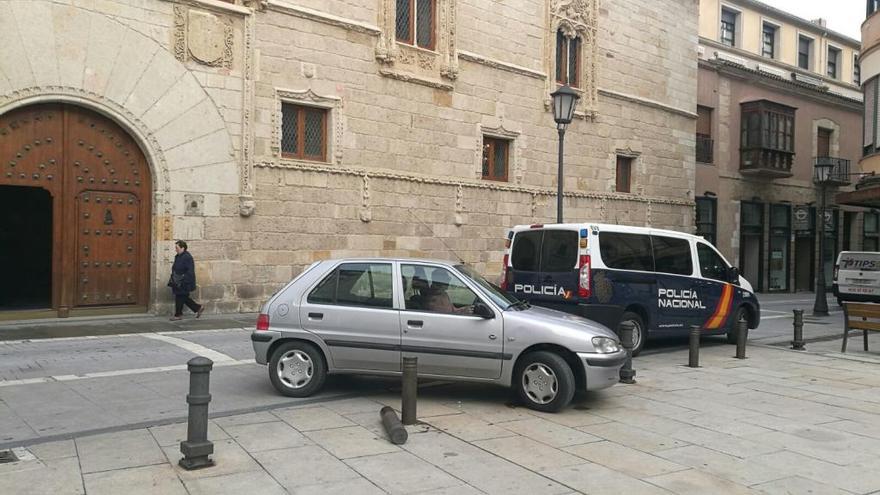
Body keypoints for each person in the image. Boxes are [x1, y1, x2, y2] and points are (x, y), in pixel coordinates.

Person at [168, 240, 204, 321]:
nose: (175, 249)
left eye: (177, 248)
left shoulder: (187, 257)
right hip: (178, 281)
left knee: (180, 297)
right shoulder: (178, 256)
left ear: (182, 248)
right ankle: (198, 308)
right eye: (175, 248)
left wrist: (184, 281)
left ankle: (178, 315)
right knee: (183, 297)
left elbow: (190, 271)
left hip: (184, 282)